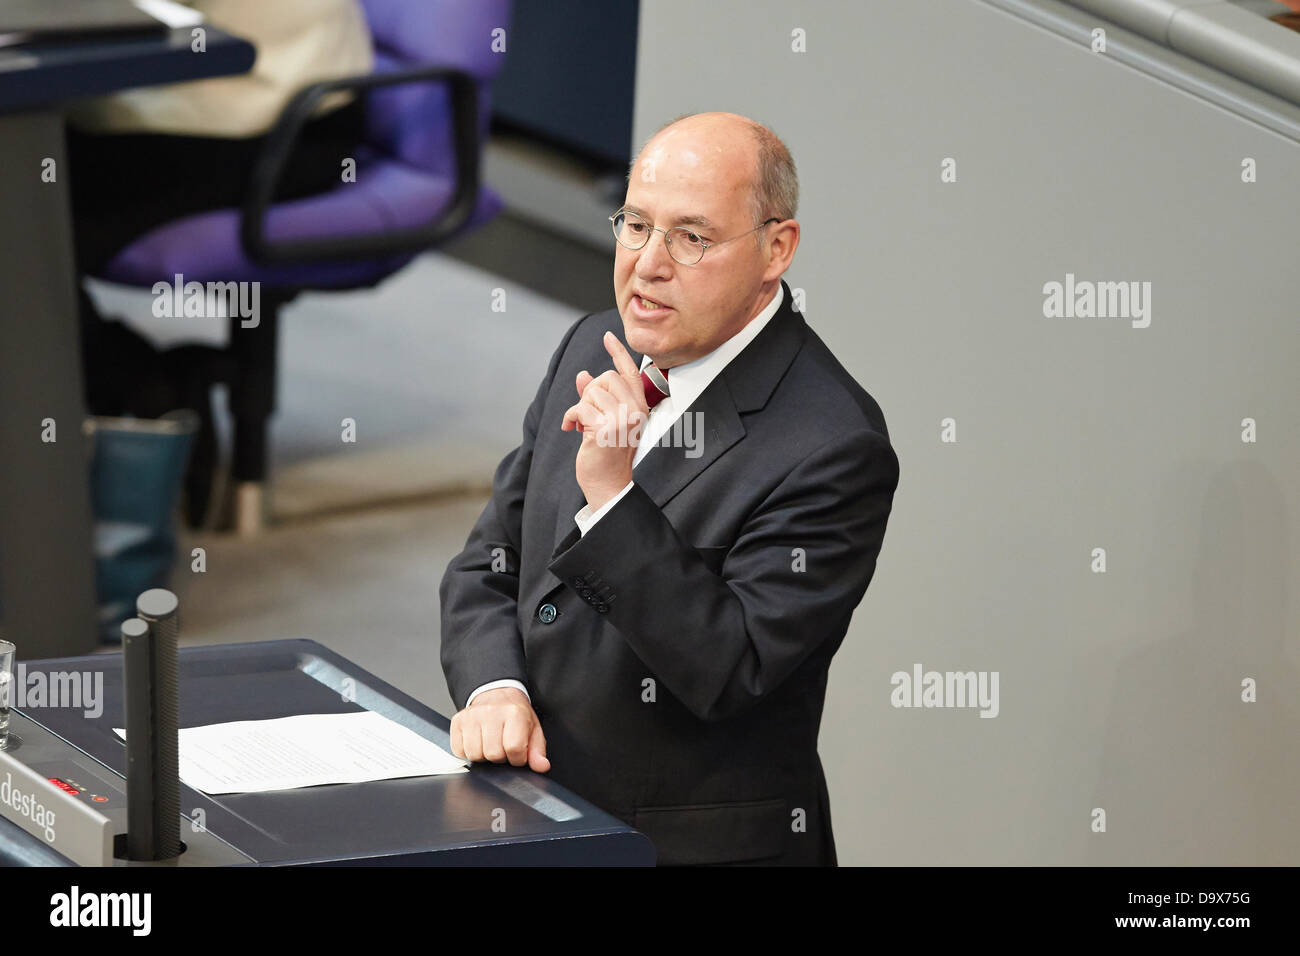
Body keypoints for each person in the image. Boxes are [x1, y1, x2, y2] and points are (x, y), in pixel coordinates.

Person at [439, 112, 899, 866]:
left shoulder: (833, 446)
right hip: (524, 816)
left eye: (690, 238)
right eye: (636, 225)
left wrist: (614, 501)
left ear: (775, 249)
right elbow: (489, 562)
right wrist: (497, 691)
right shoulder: (591, 344)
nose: (647, 265)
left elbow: (730, 668)